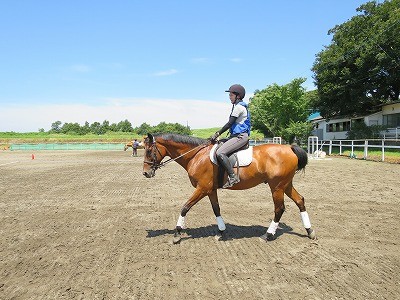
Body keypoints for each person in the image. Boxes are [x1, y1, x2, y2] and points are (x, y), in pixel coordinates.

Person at [210, 84, 251, 188]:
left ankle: (233, 176)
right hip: (235, 136)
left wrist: (218, 133)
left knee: (220, 153)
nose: (229, 97)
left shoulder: (239, 107)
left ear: (237, 95)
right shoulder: (238, 106)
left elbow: (229, 123)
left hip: (240, 137)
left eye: (231, 95)